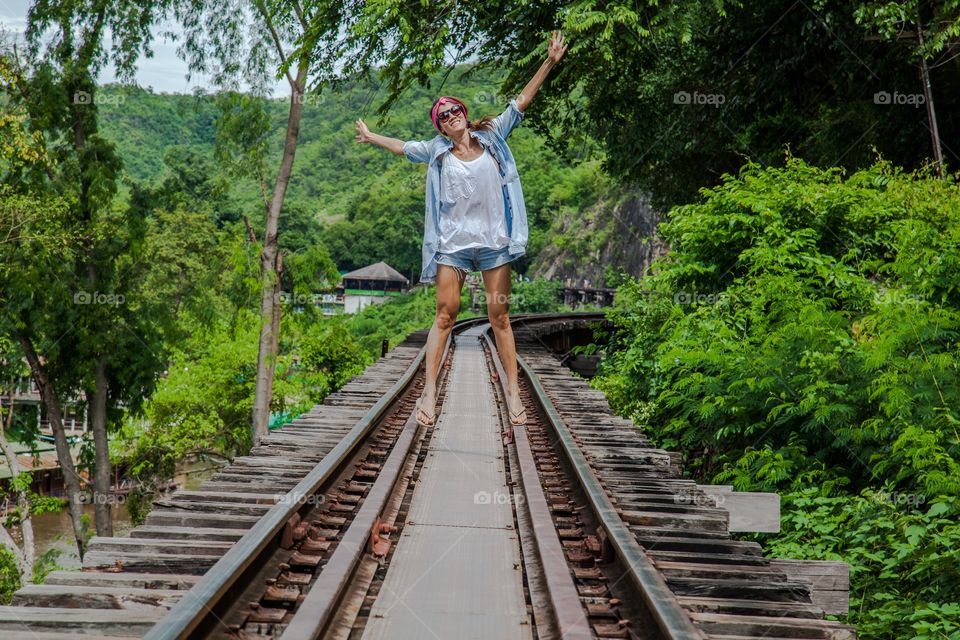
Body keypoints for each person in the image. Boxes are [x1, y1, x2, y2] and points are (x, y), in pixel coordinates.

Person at [354, 30, 568, 428]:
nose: (451, 117)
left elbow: (520, 103)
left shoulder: (493, 138)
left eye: (454, 111)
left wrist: (549, 63)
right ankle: (430, 393)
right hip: (451, 246)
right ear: (440, 127)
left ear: (464, 114)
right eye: (443, 116)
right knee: (444, 316)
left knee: (500, 316)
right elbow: (403, 146)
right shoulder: (436, 152)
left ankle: (513, 392)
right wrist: (370, 136)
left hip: (493, 244)